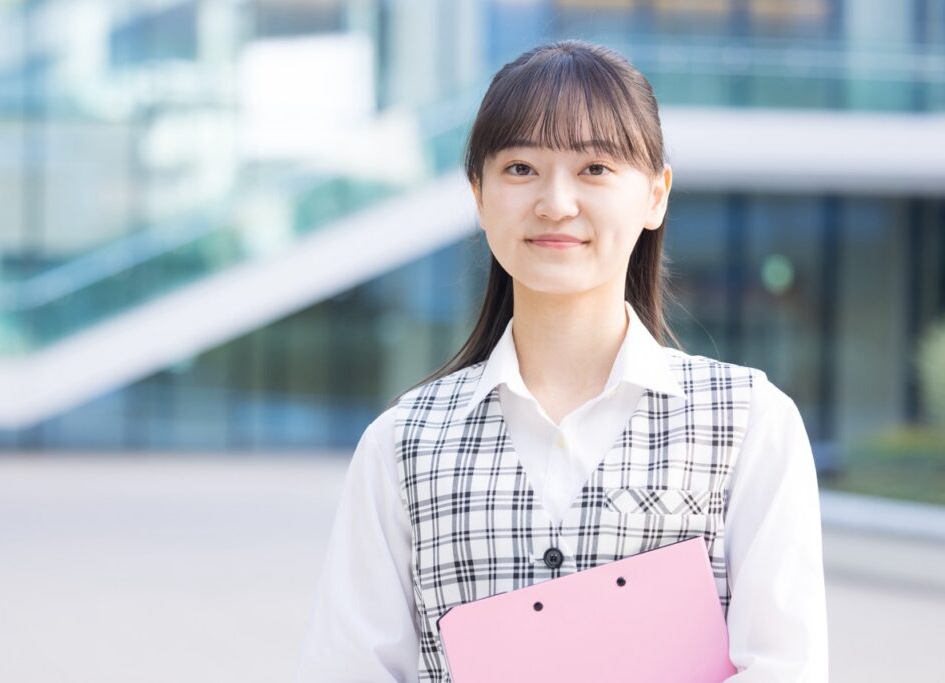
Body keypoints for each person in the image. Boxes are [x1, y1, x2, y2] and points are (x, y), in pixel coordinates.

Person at [295, 38, 828, 682]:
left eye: (595, 168)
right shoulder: (402, 444)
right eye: (520, 168)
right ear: (478, 193)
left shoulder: (749, 423)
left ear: (656, 195)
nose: (556, 203)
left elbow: (784, 668)